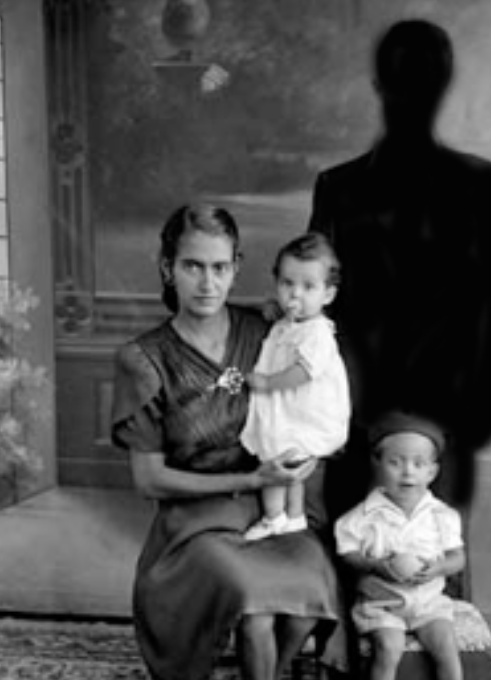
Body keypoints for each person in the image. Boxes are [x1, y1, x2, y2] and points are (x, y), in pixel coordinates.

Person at [110, 203, 347, 680]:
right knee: (254, 606)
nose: (207, 283)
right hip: (194, 522)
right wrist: (252, 479)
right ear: (167, 268)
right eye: (192, 266)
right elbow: (148, 480)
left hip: (267, 512)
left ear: (236, 268)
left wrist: (302, 456)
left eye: (220, 267)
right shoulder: (145, 360)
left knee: (309, 594)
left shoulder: (264, 331)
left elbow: (311, 373)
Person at [309, 18, 491, 514]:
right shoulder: (338, 188)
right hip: (353, 413)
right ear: (379, 84)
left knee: (437, 552)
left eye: (425, 81)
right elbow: (313, 304)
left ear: (442, 85)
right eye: (402, 80)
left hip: (447, 416)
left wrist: (483, 406)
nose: (413, 96)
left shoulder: (479, 185)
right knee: (348, 545)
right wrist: (319, 408)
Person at [335, 411, 465, 680]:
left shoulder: (441, 515)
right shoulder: (362, 516)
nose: (408, 472)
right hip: (382, 603)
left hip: (428, 602)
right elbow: (347, 553)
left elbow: (458, 557)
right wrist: (377, 566)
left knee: (446, 645)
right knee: (388, 648)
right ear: (377, 465)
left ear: (432, 472)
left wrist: (439, 568)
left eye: (419, 464)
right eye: (395, 462)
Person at [241, 233, 350, 541]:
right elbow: (284, 326)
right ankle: (295, 516)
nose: (295, 294)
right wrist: (275, 311)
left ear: (328, 295)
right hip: (290, 407)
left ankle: (273, 517)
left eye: (308, 287)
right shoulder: (293, 323)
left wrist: (267, 383)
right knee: (290, 461)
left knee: (275, 459)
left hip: (302, 408)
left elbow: (303, 372)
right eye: (287, 283)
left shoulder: (317, 333)